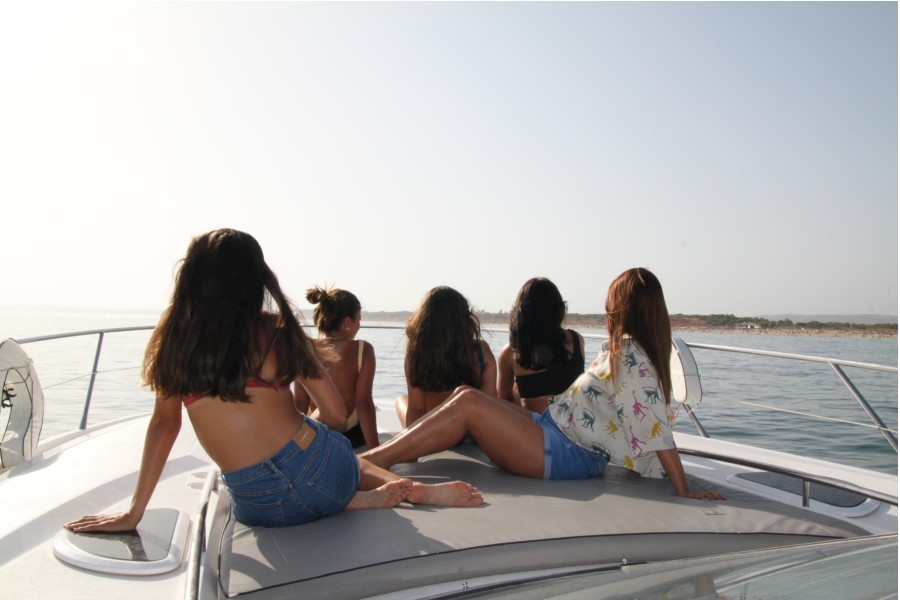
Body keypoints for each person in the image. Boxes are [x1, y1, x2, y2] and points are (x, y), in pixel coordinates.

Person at [64, 229, 482, 533]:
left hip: (257, 504)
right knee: (335, 447)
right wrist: (303, 429)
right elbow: (337, 414)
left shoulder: (174, 336)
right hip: (318, 478)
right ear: (255, 280)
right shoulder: (275, 330)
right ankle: (398, 488)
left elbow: (164, 424)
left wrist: (134, 512)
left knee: (304, 471)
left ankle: (353, 500)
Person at [362, 268, 724, 500]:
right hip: (554, 430)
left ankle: (369, 463)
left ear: (623, 311)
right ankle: (374, 460)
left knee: (469, 402)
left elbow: (655, 427)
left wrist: (683, 489)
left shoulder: (633, 359)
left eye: (609, 306)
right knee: (465, 395)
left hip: (566, 452)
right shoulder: (620, 351)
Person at [396, 286, 498, 428]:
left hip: (433, 430)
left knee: (401, 400)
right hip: (471, 430)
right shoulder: (481, 351)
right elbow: (489, 408)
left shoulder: (416, 353)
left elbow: (416, 410)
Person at [296, 286, 379, 450]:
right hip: (351, 437)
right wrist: (375, 449)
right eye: (359, 320)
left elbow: (300, 403)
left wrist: (299, 445)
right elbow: (363, 403)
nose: (359, 325)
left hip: (318, 434)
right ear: (348, 323)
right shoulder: (363, 349)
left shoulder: (306, 349)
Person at [497, 277, 585, 413]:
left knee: (514, 389)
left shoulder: (511, 352)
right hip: (574, 421)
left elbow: (504, 398)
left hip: (536, 424)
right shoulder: (577, 340)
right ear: (559, 309)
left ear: (521, 311)